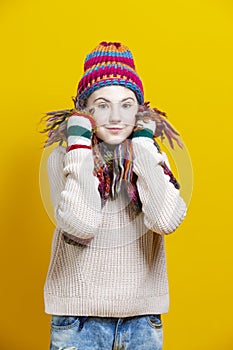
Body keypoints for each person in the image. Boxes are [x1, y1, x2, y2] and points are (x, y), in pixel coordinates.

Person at [41, 41, 187, 350]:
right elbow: (81, 224)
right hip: (77, 321)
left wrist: (145, 146)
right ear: (85, 111)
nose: (116, 116)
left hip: (142, 321)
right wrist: (79, 145)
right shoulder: (64, 156)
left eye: (127, 104)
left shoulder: (151, 156)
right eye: (103, 104)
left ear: (141, 110)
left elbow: (165, 220)